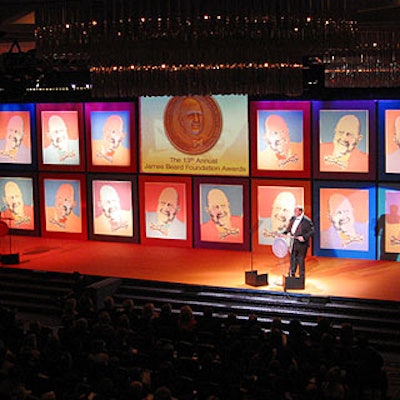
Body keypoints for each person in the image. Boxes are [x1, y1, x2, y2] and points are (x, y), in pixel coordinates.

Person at [283, 205, 314, 279]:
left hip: (302, 243)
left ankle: (301, 276)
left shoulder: (307, 220)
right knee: (293, 258)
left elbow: (312, 232)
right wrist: (283, 233)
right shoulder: (293, 218)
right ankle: (292, 274)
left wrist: (303, 237)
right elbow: (289, 228)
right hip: (294, 241)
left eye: (296, 211)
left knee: (300, 259)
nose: (294, 212)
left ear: (300, 211)